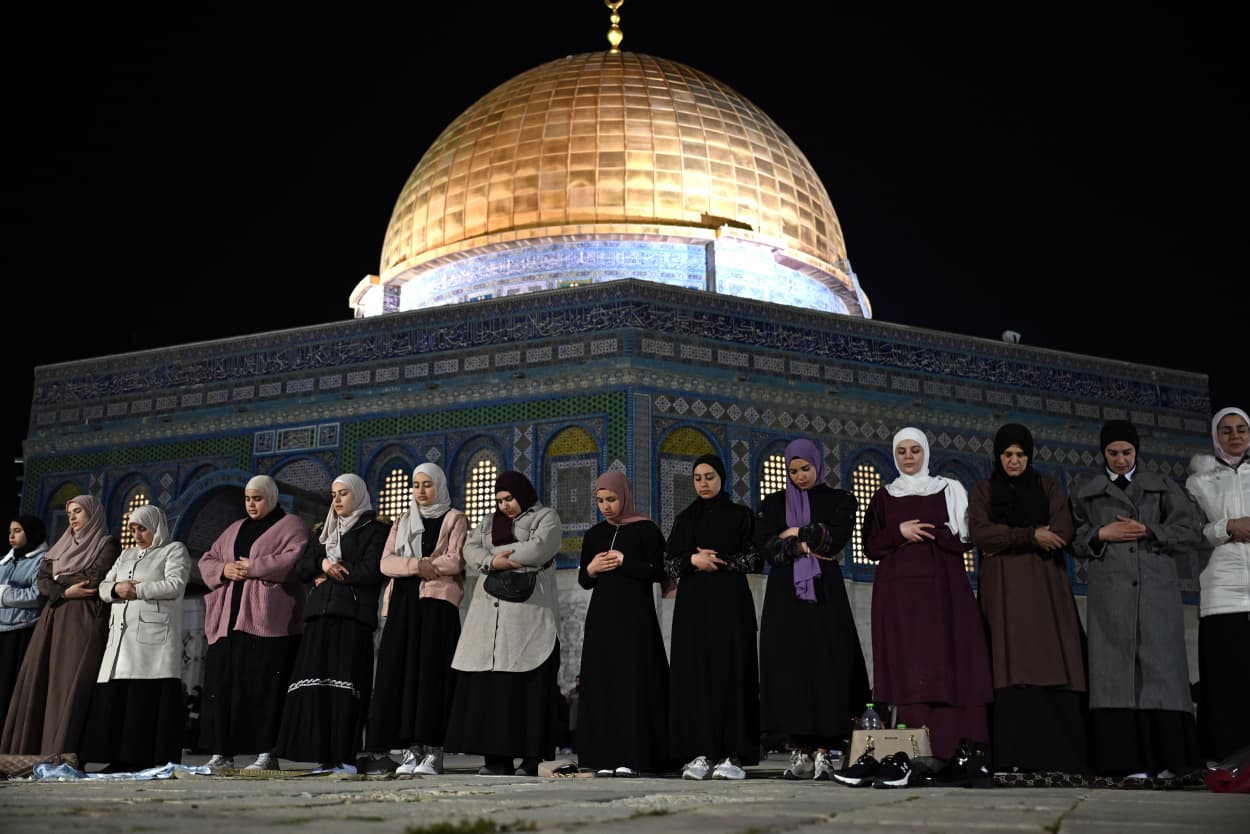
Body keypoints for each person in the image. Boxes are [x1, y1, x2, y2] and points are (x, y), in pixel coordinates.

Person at [1070, 419, 1203, 779]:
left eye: (1126, 452)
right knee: (1115, 675)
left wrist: (1150, 530)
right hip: (1111, 594)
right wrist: (1101, 533)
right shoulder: (1086, 491)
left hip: (1155, 592)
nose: (1120, 459)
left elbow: (1190, 531)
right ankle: (1125, 763)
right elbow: (1073, 538)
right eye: (1112, 453)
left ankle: (1170, 761)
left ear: (1136, 451)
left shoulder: (1161, 486)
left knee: (1161, 673)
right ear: (1103, 453)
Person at [860, 427, 992, 762]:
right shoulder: (884, 495)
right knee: (910, 664)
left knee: (948, 657)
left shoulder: (948, 489)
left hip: (944, 589)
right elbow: (870, 545)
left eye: (914, 450)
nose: (908, 457)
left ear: (926, 452)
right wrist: (899, 532)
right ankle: (915, 751)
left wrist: (937, 534)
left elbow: (966, 538)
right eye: (901, 451)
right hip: (898, 595)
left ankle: (956, 748)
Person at [968, 423, 1088, 774]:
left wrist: (1007, 539)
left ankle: (1061, 756)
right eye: (1008, 454)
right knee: (1011, 661)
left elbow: (1063, 531)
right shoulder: (985, 490)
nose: (1014, 461)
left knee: (1052, 655)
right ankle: (1015, 755)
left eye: (1021, 455)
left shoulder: (1047, 486)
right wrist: (1032, 536)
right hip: (1003, 590)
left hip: (1046, 586)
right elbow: (980, 534)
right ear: (998, 456)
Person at [755, 438, 869, 781]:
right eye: (792, 470)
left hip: (824, 594)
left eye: (805, 468)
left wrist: (795, 534)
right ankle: (800, 751)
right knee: (791, 667)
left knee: (826, 663)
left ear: (817, 465)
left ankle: (824, 751)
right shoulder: (773, 503)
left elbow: (834, 538)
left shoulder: (839, 500)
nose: (799, 476)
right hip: (785, 597)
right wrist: (805, 543)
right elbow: (767, 547)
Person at [444, 470, 563, 777]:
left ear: (522, 494)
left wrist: (490, 556)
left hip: (529, 617)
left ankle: (531, 759)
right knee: (494, 692)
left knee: (528, 691)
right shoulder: (488, 522)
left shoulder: (546, 517)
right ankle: (496, 759)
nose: (504, 505)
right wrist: (495, 561)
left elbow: (538, 549)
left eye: (509, 499)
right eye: (499, 500)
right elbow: (469, 549)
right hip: (489, 618)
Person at [274, 473, 387, 772]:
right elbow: (301, 567)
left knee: (345, 688)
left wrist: (333, 573)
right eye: (334, 494)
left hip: (352, 617)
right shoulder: (324, 531)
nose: (336, 500)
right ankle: (323, 756)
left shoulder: (374, 530)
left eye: (343, 494)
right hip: (319, 615)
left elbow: (371, 570)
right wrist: (321, 563)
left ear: (358, 495)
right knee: (318, 688)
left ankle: (345, 757)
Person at [198, 475, 310, 772]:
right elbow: (207, 560)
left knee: (263, 690)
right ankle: (222, 752)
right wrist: (225, 569)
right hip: (227, 622)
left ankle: (266, 752)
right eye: (248, 499)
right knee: (223, 688)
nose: (251, 504)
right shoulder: (235, 528)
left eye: (257, 498)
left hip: (268, 624)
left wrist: (253, 567)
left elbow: (294, 560)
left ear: (271, 497)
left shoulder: (292, 525)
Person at [366, 462, 467, 776]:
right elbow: (385, 563)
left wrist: (418, 566)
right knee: (403, 675)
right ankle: (411, 749)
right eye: (416, 485)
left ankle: (434, 751)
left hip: (437, 604)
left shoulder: (454, 518)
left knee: (431, 676)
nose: (421, 491)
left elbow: (456, 560)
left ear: (439, 486)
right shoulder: (402, 520)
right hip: (403, 604)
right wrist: (417, 566)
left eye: (427, 484)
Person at [665, 453, 762, 781]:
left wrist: (718, 561)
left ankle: (732, 755)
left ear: (722, 478)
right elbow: (670, 563)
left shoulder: (740, 515)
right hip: (693, 610)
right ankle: (700, 753)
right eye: (698, 478)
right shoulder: (685, 519)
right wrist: (693, 561)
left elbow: (754, 559)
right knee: (696, 677)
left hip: (731, 608)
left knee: (731, 674)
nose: (703, 484)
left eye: (709, 477)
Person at [1, 495, 120, 757]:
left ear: (93, 514)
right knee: (42, 681)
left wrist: (57, 579)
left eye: (78, 511)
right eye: (69, 513)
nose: (73, 518)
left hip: (82, 619)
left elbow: (92, 578)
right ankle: (33, 751)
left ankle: (61, 751)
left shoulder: (106, 544)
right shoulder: (61, 545)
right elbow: (43, 580)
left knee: (68, 684)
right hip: (53, 617)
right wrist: (63, 589)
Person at [80, 505, 190, 771]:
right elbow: (104, 586)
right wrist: (116, 589)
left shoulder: (173, 550)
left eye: (143, 529)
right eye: (133, 529)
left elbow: (175, 585)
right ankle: (118, 759)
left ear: (156, 527)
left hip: (153, 640)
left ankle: (141, 760)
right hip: (121, 637)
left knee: (143, 699)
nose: (137, 535)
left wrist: (136, 591)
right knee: (119, 698)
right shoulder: (126, 555)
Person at [576, 470, 670, 777]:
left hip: (634, 619)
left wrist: (625, 561)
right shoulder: (594, 535)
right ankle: (604, 757)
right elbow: (584, 580)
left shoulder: (645, 529)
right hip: (602, 620)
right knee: (603, 684)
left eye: (612, 499)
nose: (606, 506)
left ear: (625, 496)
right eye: (600, 500)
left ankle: (633, 756)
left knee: (631, 684)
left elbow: (659, 571)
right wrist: (592, 568)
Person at [1184, 407, 1250, 763]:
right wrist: (1227, 528)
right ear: (1215, 436)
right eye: (1226, 430)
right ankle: (1227, 759)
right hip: (1221, 590)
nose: (1235, 436)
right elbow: (1190, 533)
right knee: (1226, 680)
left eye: (1241, 429)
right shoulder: (1199, 481)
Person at [0, 515, 49, 732]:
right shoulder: (4, 561)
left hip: (21, 631)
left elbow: (36, 595)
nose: (12, 536)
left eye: (18, 531)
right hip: (1, 628)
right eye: (10, 531)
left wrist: (3, 595)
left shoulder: (42, 561)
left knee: (9, 689)